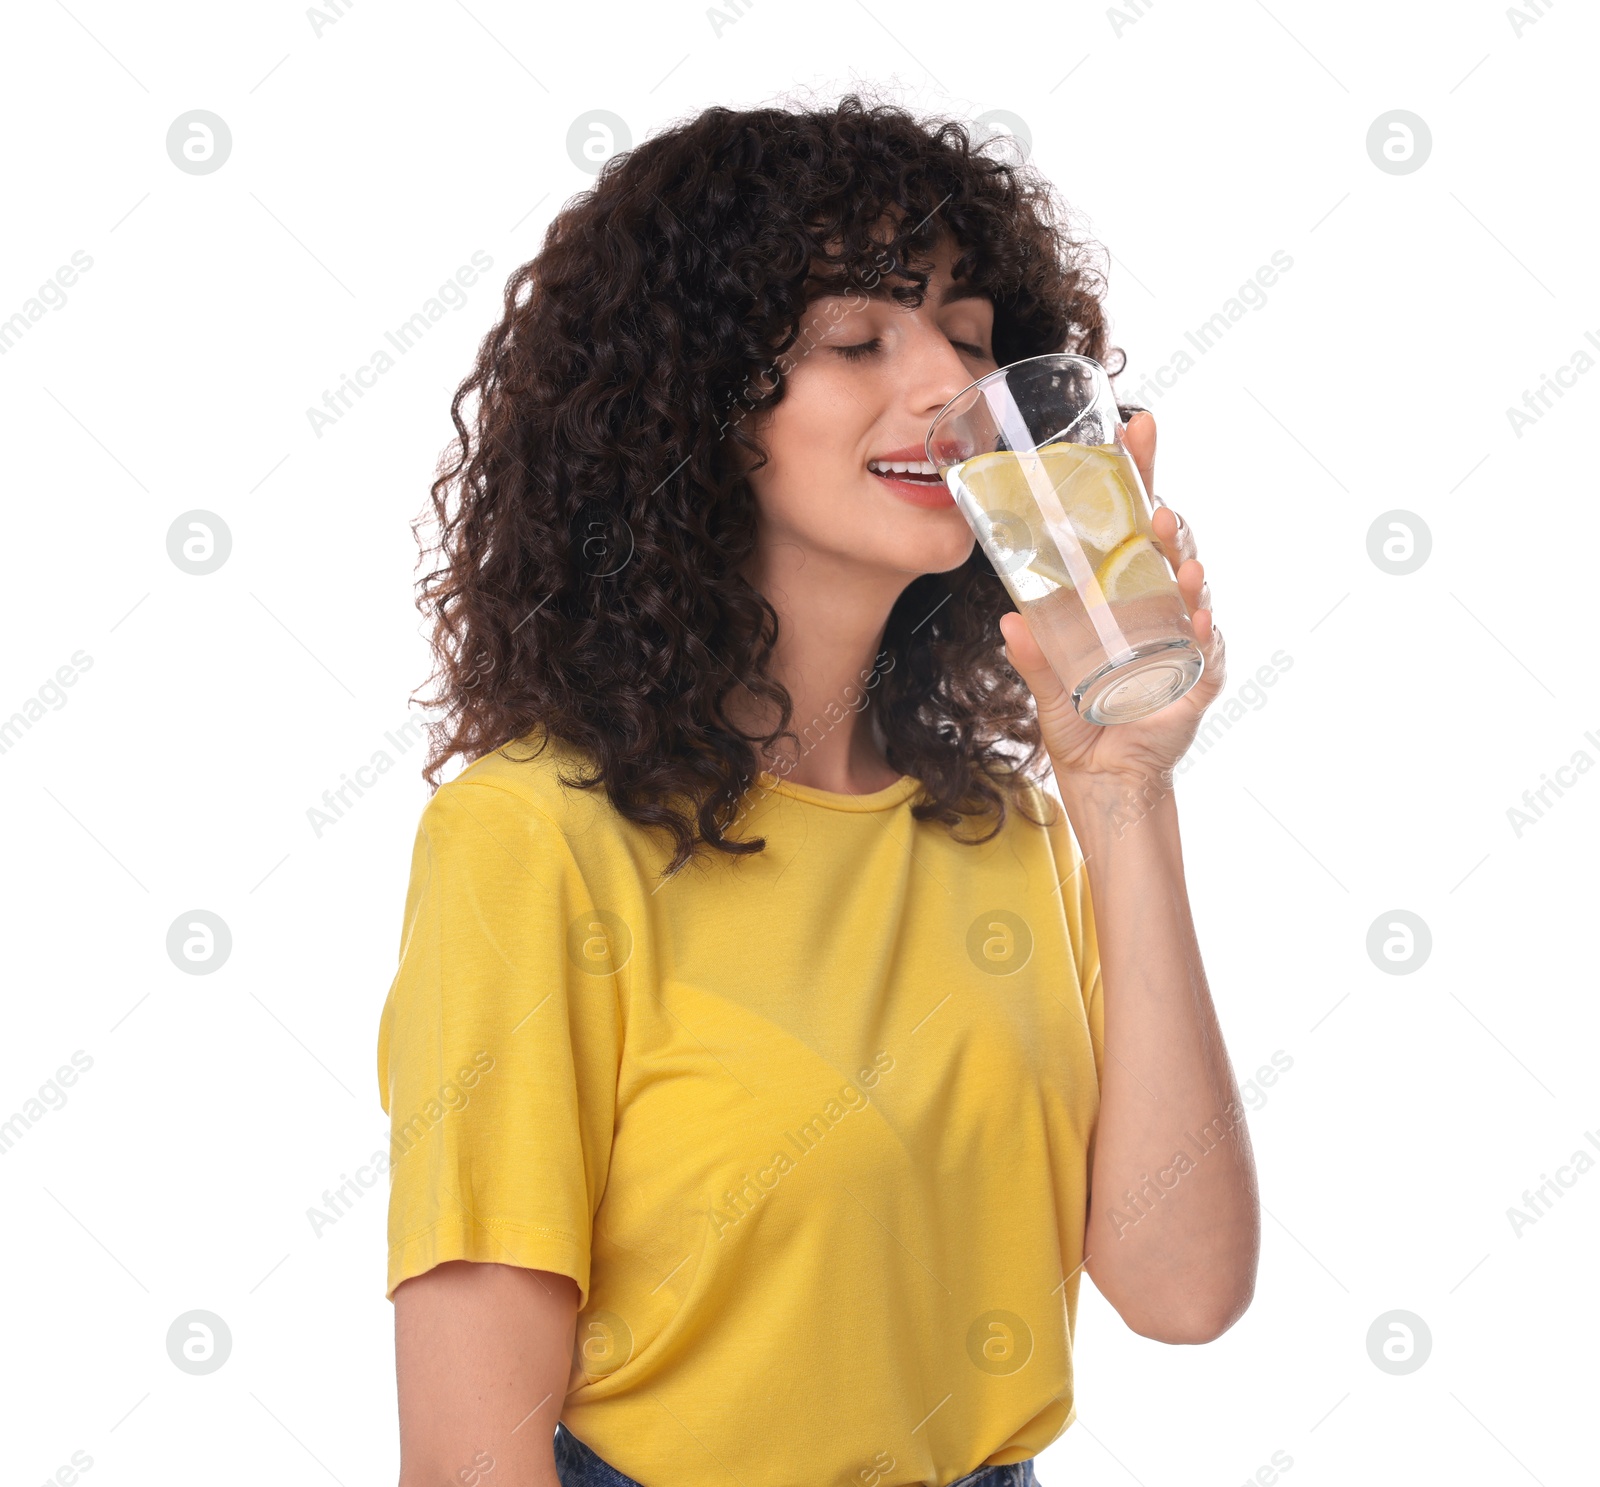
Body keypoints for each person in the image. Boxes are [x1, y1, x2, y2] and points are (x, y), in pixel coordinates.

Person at [377, 92, 1259, 1487]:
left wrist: (1123, 791)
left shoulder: (1001, 824)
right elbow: (470, 1457)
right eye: (857, 339)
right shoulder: (531, 836)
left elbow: (1183, 1289)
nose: (946, 392)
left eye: (969, 339)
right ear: (695, 405)